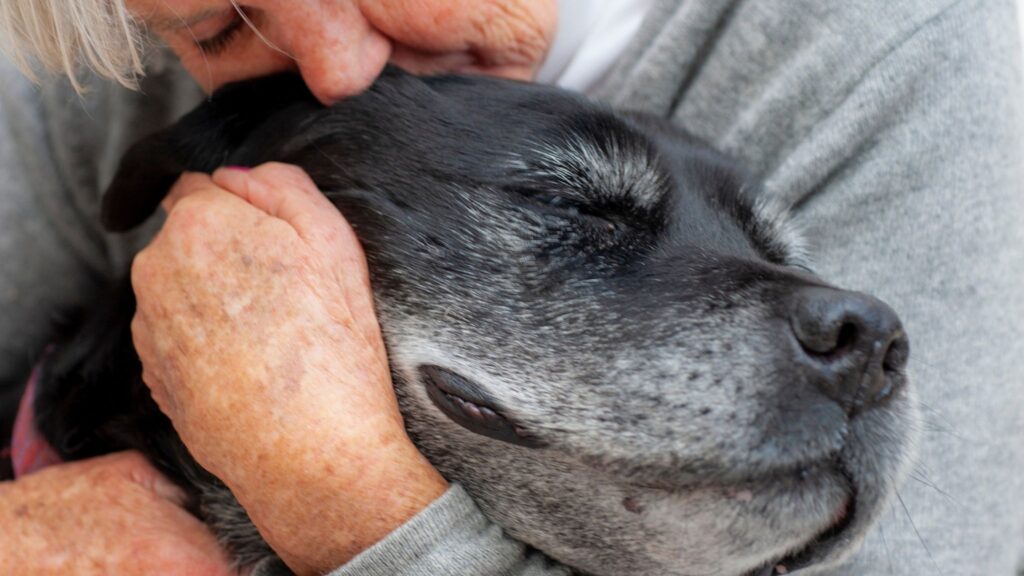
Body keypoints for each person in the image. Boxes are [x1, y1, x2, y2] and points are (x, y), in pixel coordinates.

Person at [0, 0, 1022, 575]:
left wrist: (341, 496)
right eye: (221, 27)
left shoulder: (915, 66)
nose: (336, 69)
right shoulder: (102, 43)